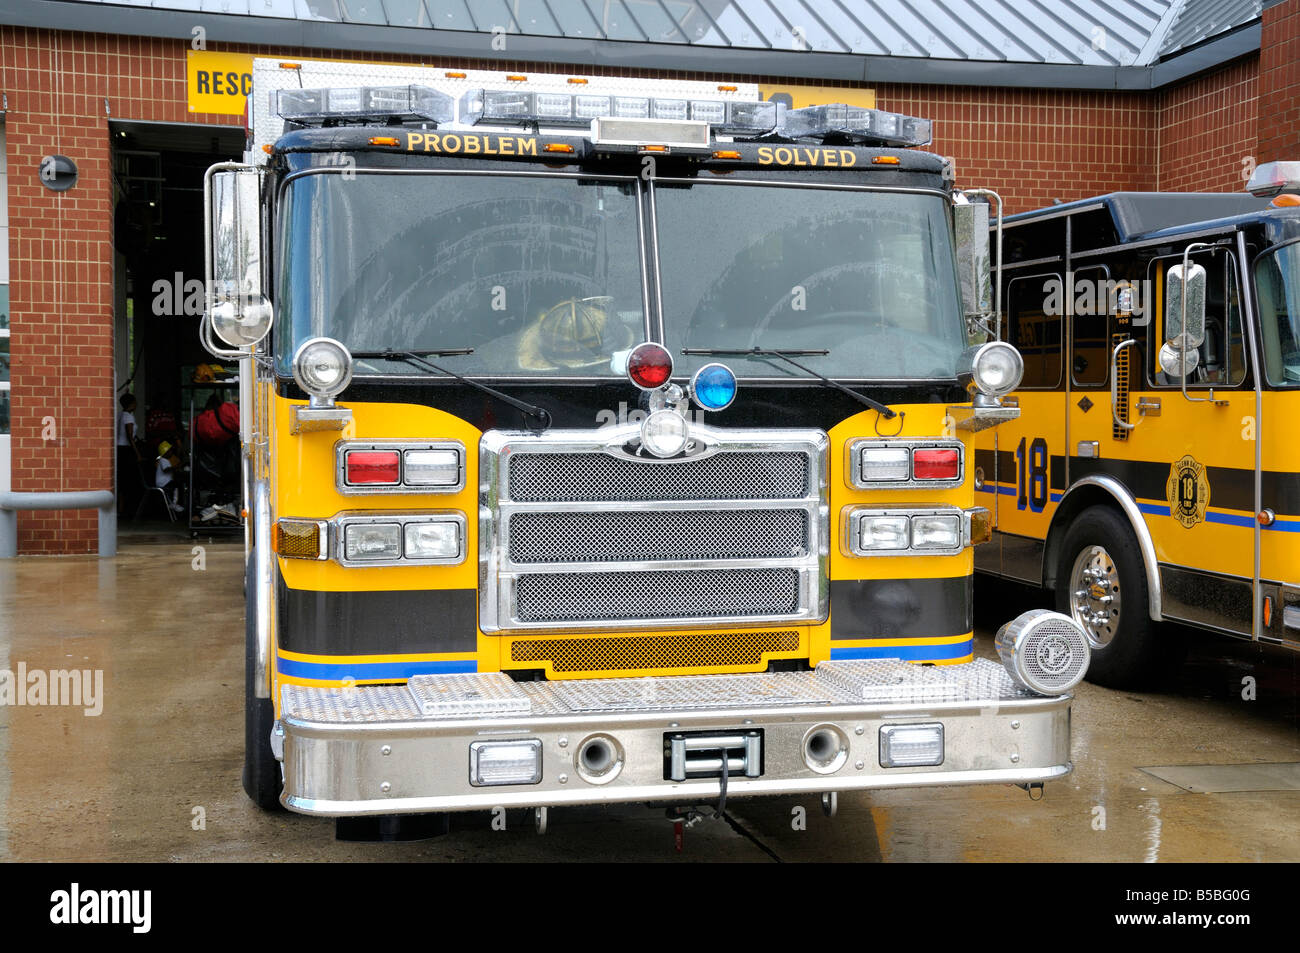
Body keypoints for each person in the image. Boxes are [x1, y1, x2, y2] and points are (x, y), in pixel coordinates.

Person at [117, 393, 143, 517]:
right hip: (127, 450)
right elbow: (130, 436)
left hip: (119, 449)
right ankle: (127, 509)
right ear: (131, 404)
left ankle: (121, 508)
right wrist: (137, 453)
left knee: (121, 479)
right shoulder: (128, 417)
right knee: (129, 480)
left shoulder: (120, 415)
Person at [154, 440, 186, 514]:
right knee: (178, 484)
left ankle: (173, 503)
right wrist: (177, 466)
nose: (171, 452)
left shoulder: (166, 460)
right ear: (165, 452)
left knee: (177, 483)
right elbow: (166, 469)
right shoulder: (162, 460)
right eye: (170, 451)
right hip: (163, 483)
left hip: (166, 482)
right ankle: (174, 504)